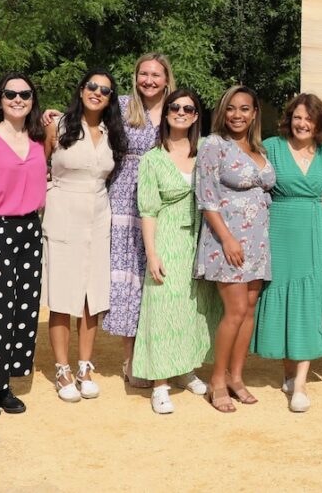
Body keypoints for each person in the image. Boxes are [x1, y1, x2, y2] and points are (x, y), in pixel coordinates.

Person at [250, 93, 322, 412]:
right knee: (284, 298)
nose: (302, 123)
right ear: (289, 118)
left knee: (308, 300)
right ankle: (288, 373)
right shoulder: (272, 147)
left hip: (314, 232)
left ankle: (300, 385)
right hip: (278, 232)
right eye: (297, 117)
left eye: (309, 118)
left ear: (318, 123)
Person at [43, 69, 127, 402]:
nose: (97, 92)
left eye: (105, 90)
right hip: (63, 210)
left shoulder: (112, 133)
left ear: (110, 99)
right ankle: (62, 369)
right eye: (92, 86)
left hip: (99, 213)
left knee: (93, 295)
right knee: (63, 296)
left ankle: (84, 367)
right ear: (80, 90)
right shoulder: (58, 125)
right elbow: (40, 165)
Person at [131, 89, 215, 414]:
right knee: (163, 306)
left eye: (188, 108)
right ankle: (160, 383)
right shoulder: (152, 159)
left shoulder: (206, 150)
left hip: (200, 238)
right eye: (175, 107)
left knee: (194, 306)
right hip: (166, 236)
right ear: (166, 113)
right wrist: (152, 253)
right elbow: (148, 210)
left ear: (196, 116)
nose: (181, 112)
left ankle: (186, 368)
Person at [0, 74, 48, 417]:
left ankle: (7, 381)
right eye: (10, 94)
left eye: (25, 94)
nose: (18, 99)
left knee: (25, 306)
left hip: (30, 227)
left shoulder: (38, 140)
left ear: (33, 99)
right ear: (0, 99)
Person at [196, 86, 276, 413]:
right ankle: (217, 380)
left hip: (258, 241)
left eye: (244, 109)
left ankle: (236, 377)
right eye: (231, 108)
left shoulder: (259, 149)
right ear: (222, 112)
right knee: (236, 311)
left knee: (250, 309)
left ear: (255, 113)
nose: (237, 115)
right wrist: (227, 238)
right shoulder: (214, 145)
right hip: (227, 240)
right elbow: (206, 197)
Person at [103, 54, 176, 387]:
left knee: (161, 275)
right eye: (143, 73)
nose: (149, 80)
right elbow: (85, 120)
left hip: (164, 198)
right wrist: (54, 117)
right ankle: (131, 358)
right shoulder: (120, 106)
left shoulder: (178, 108)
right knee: (130, 276)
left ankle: (166, 355)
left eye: (156, 74)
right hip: (124, 194)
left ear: (166, 79)